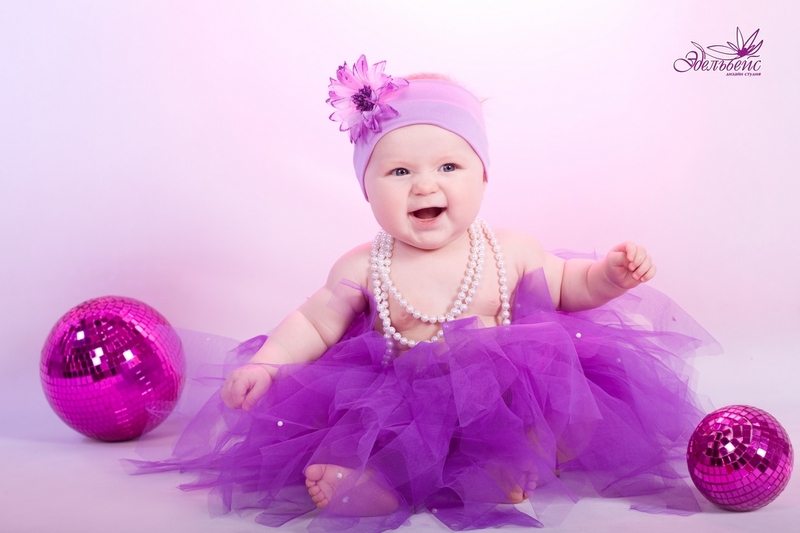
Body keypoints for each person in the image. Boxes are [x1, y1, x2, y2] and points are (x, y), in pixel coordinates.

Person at [133, 55, 717, 532]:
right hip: (399, 393)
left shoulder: (509, 248)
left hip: (499, 396)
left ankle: (502, 468)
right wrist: (266, 363)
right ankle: (375, 486)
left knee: (547, 396)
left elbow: (569, 285)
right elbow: (313, 323)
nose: (425, 185)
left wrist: (609, 277)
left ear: (483, 174)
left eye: (448, 166)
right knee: (375, 432)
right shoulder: (364, 264)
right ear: (367, 189)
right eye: (399, 172)